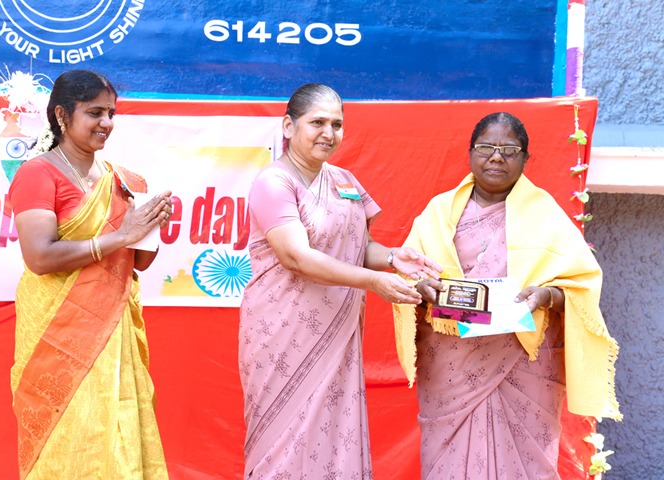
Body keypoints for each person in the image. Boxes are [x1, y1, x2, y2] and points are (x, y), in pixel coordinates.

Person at [392, 112, 622, 479]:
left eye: (509, 150)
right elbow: (409, 274)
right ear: (471, 153)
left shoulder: (546, 215)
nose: (496, 157)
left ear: (526, 158)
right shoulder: (439, 212)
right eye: (486, 147)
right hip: (452, 366)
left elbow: (581, 287)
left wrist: (546, 296)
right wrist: (422, 287)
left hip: (523, 365)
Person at [238, 83, 443, 479]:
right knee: (284, 442)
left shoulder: (344, 180)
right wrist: (374, 282)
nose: (328, 133)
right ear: (288, 126)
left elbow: (357, 247)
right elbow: (295, 256)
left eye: (336, 124)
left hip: (337, 330)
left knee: (332, 437)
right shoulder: (274, 182)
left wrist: (393, 258)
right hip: (284, 331)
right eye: (317, 123)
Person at [8, 70, 172, 479]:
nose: (107, 122)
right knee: (67, 435)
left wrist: (151, 227)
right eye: (95, 112)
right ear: (62, 116)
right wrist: (120, 236)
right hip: (57, 333)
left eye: (111, 113)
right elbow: (39, 256)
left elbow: (137, 262)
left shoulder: (125, 181)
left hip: (112, 331)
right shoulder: (38, 174)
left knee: (119, 432)